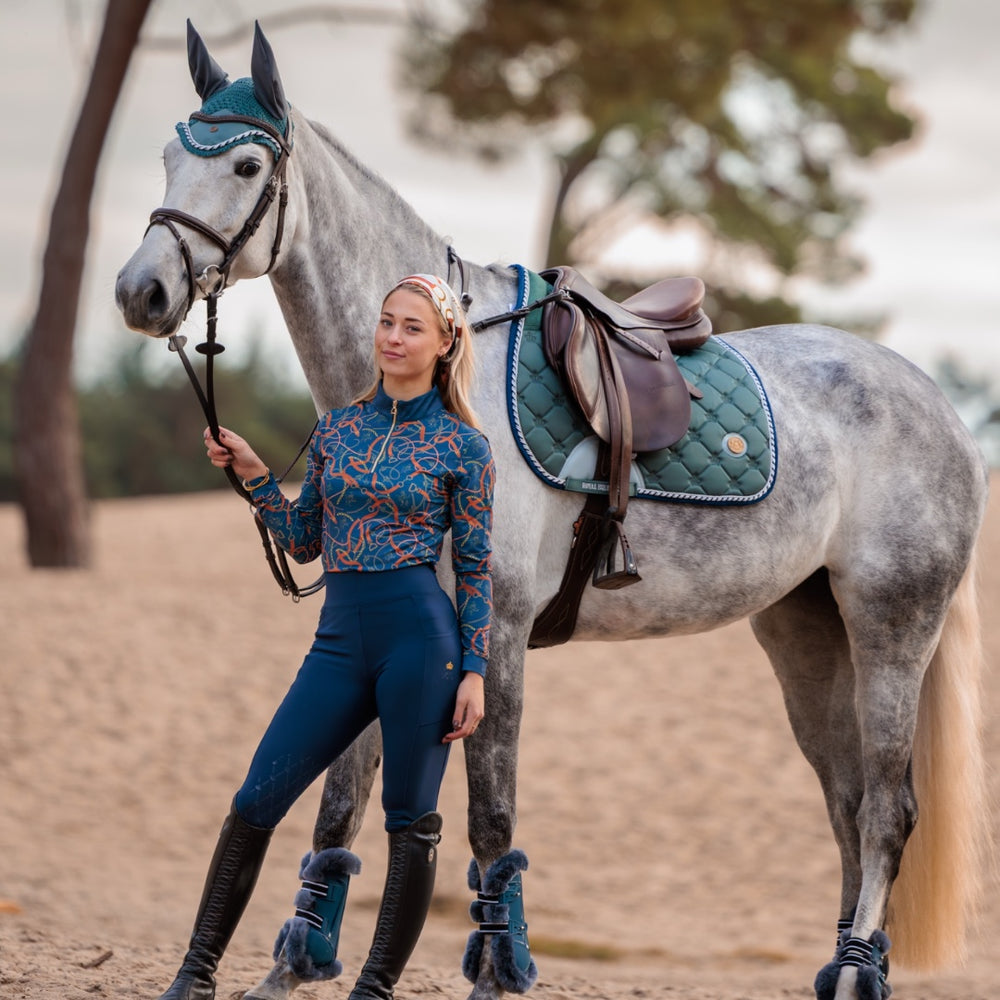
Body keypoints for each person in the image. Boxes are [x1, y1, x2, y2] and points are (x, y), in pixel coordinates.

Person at [156, 274, 495, 1000]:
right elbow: (305, 540)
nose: (393, 337)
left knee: (411, 822)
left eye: (411, 327)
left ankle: (372, 991)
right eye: (386, 322)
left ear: (444, 345)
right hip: (338, 644)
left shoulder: (464, 447)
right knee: (255, 800)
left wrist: (475, 669)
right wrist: (252, 476)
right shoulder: (337, 429)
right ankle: (195, 975)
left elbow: (473, 567)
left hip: (421, 647)